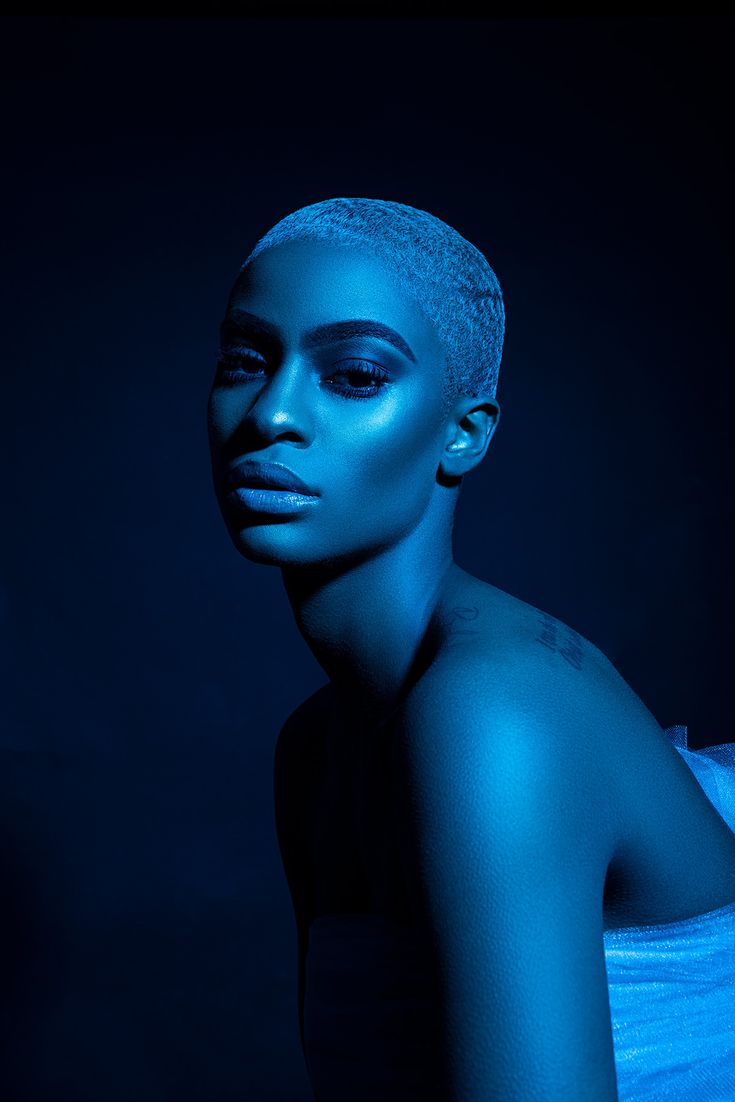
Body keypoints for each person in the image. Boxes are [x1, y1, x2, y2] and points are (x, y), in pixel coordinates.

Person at [206, 198, 735, 1101]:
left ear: (464, 432)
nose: (272, 413)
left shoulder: (494, 713)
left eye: (356, 375)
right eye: (246, 361)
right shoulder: (313, 749)